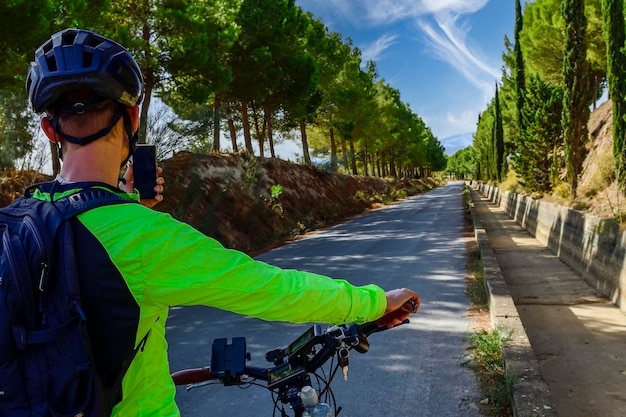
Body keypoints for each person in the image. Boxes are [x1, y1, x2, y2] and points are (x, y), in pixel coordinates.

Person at [25, 28, 420, 416]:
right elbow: (274, 289)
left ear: (49, 129)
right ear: (131, 116)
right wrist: (375, 302)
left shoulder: (20, 219)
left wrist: (130, 206)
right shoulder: (145, 238)